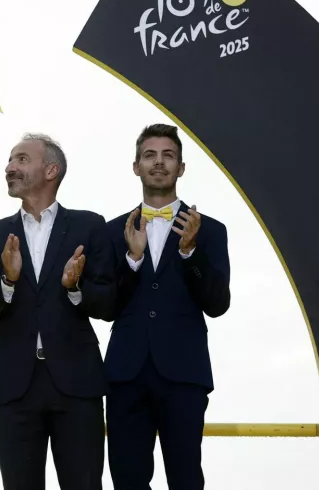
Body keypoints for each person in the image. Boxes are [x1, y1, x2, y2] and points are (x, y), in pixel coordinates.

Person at [0, 133, 116, 490]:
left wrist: (75, 287)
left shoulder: (90, 226)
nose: (9, 167)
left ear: (51, 170)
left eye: (20, 159)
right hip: (13, 390)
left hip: (77, 388)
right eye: (10, 160)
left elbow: (110, 303)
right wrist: (8, 280)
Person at [104, 124, 231, 490]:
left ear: (181, 167)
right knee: (127, 481)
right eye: (150, 155)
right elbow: (106, 307)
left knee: (186, 479)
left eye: (168, 155)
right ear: (136, 166)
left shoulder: (211, 231)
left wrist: (190, 252)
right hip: (126, 373)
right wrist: (132, 258)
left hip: (185, 374)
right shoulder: (112, 231)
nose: (159, 163)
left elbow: (217, 304)